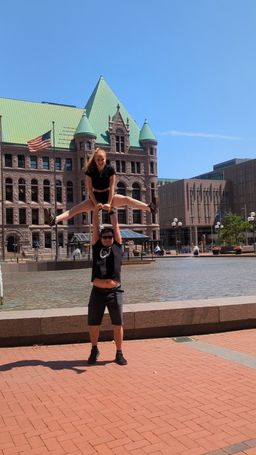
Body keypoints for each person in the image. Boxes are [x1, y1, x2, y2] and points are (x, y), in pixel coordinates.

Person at [44, 147, 157, 226]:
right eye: (98, 159)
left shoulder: (110, 170)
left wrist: (108, 203)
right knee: (76, 209)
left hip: (109, 196)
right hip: (95, 197)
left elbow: (112, 187)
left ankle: (150, 208)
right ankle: (54, 220)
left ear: (105, 158)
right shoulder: (90, 171)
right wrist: (95, 203)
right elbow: (89, 189)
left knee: (127, 199)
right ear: (95, 160)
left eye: (102, 159)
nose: (100, 161)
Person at [87, 205, 127, 366]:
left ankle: (119, 352)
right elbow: (96, 227)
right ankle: (94, 349)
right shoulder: (96, 247)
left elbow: (115, 226)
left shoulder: (117, 247)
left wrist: (111, 211)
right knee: (93, 323)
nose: (108, 239)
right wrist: (96, 211)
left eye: (110, 237)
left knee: (117, 324)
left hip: (114, 292)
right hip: (97, 292)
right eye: (105, 237)